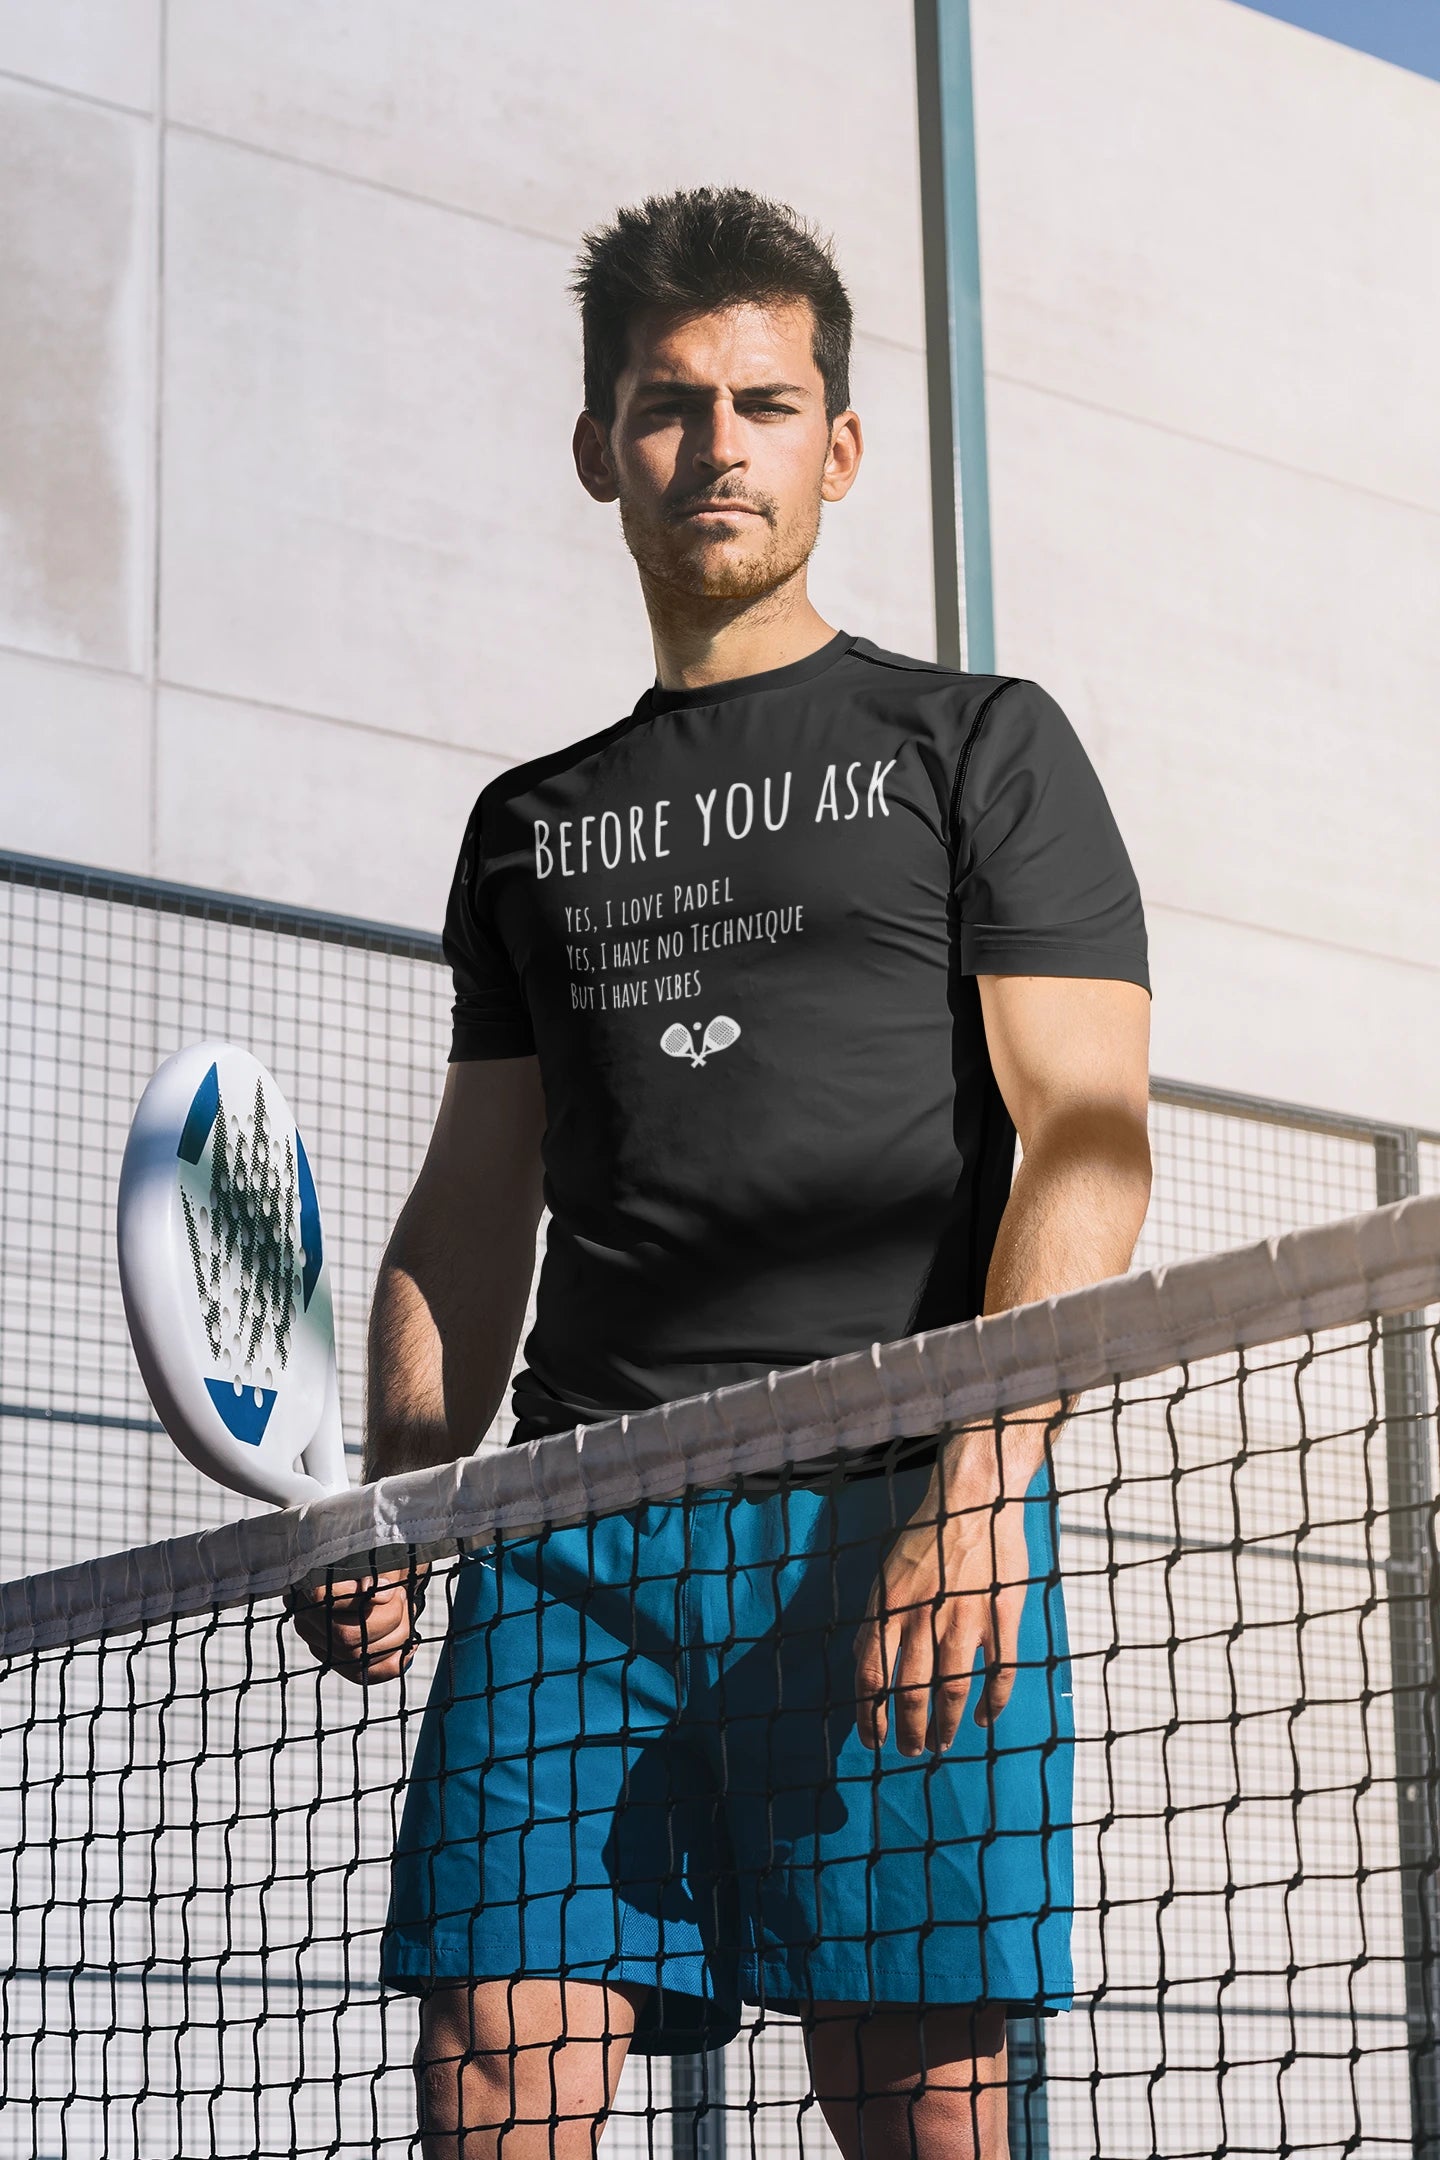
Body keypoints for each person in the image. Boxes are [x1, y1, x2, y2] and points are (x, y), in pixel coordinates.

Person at [291, 186, 1152, 2160]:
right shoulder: (527, 828)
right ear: (599, 448)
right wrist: (398, 1492)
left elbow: (1090, 1144)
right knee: (491, 2070)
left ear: (837, 448)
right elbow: (471, 1202)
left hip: (892, 1501)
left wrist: (977, 1491)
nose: (717, 445)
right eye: (669, 405)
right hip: (573, 1529)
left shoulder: (979, 745)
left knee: (923, 2107)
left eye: (764, 403)